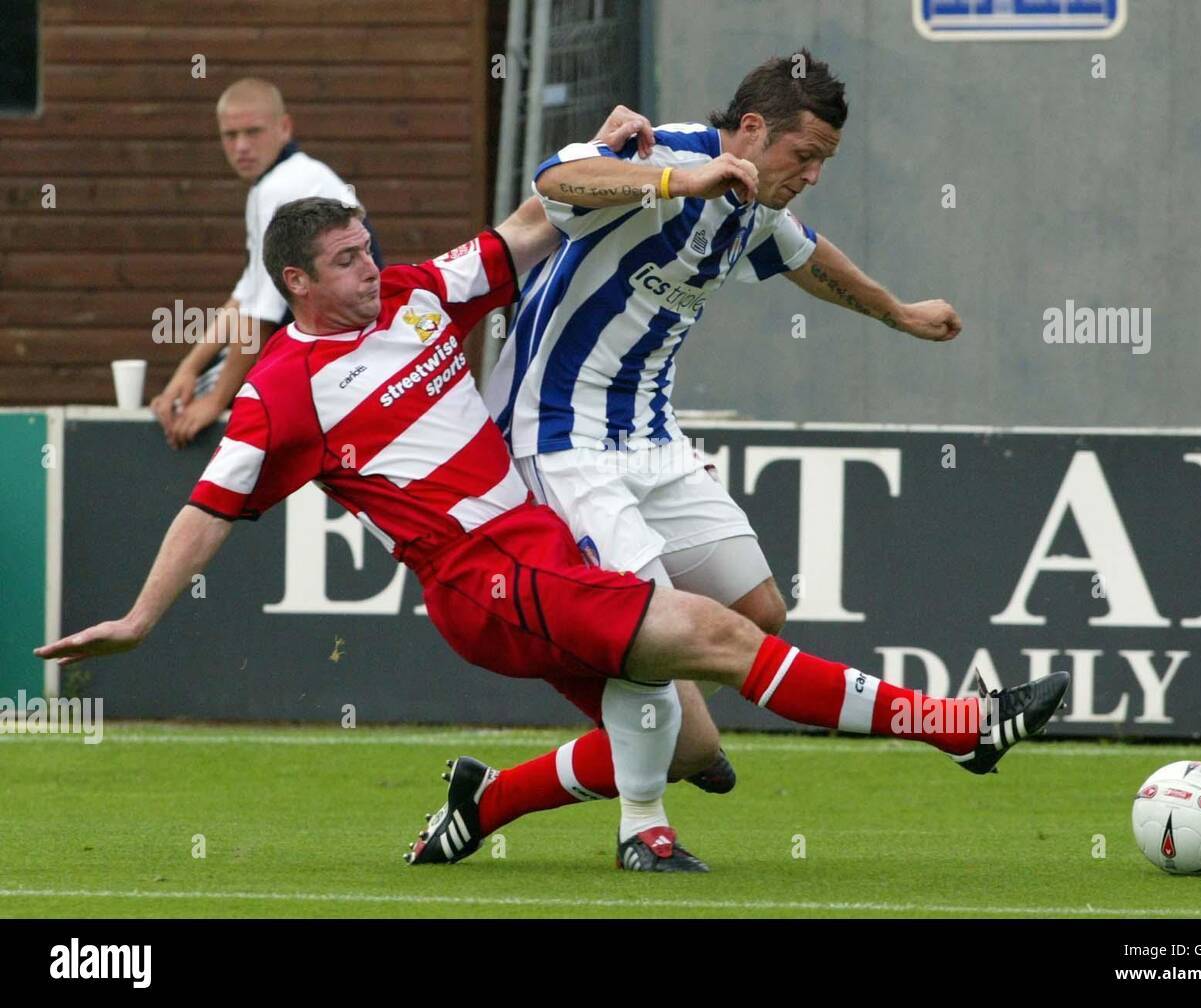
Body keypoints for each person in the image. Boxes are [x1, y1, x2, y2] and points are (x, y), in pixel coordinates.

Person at [37, 196, 1069, 873]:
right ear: (299, 284)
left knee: (691, 741)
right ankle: (961, 729)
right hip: (481, 580)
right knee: (716, 637)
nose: (370, 264)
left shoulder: (414, 296)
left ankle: (486, 804)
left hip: (538, 551)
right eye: (347, 260)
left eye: (369, 248)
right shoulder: (282, 391)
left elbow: (533, 222)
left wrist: (622, 155)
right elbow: (208, 508)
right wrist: (136, 618)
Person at [478, 51, 963, 852]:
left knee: (758, 614)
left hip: (651, 439)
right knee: (648, 638)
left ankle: (631, 740)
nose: (810, 175)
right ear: (748, 129)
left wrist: (899, 314)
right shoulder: (662, 152)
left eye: (823, 162)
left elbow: (807, 256)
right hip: (559, 436)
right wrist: (680, 182)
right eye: (804, 155)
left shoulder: (753, 204)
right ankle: (644, 829)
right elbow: (556, 186)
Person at [149, 78, 382, 449]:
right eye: (230, 135)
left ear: (284, 128)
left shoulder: (279, 188)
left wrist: (215, 400)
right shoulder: (285, 179)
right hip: (345, 352)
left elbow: (259, 319)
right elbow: (247, 294)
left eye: (253, 132)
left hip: (341, 364)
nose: (241, 146)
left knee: (180, 408)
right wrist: (189, 368)